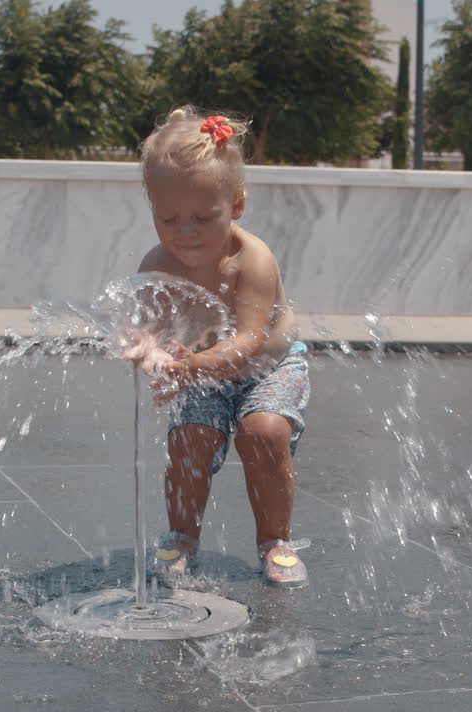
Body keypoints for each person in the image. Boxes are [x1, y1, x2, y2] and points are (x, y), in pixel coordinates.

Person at [124, 106, 310, 588]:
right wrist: (147, 349)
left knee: (263, 432)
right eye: (169, 219)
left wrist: (185, 369)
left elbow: (249, 340)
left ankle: (276, 541)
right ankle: (181, 536)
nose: (185, 232)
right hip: (202, 367)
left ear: (237, 206)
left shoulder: (252, 260)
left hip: (268, 365)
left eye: (204, 218)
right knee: (190, 438)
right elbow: (145, 325)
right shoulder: (158, 262)